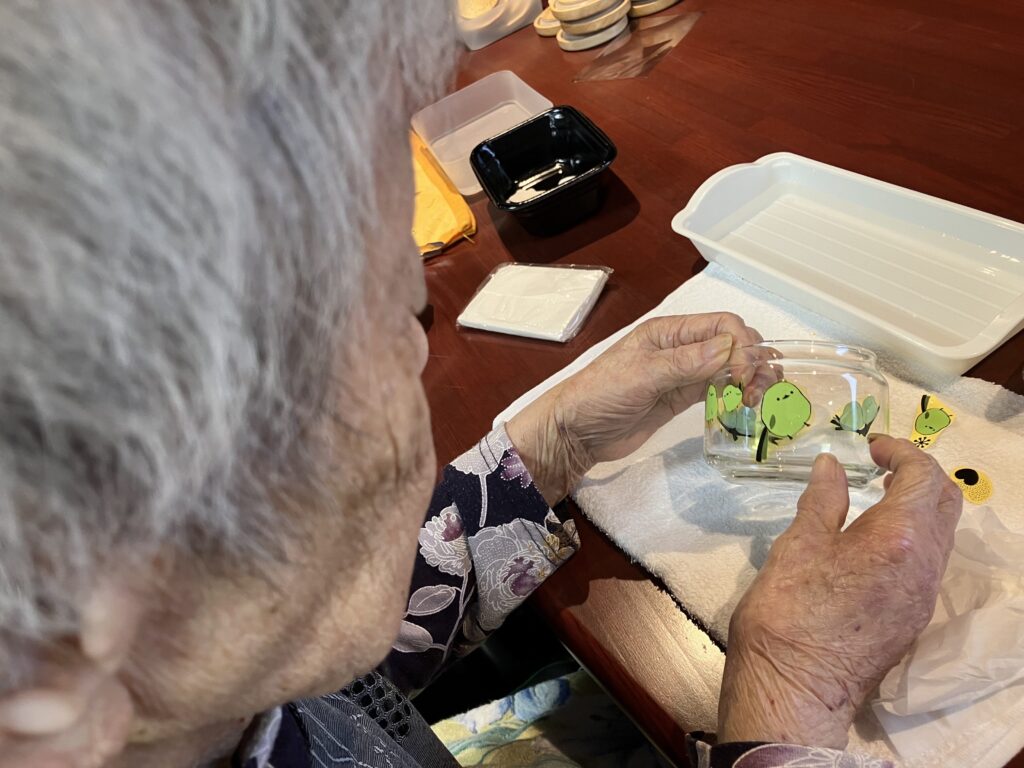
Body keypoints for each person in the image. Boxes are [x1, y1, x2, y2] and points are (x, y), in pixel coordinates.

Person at [0, 3, 962, 767]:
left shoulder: (161, 693)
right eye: (393, 315)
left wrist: (553, 445)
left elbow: (276, 644)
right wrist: (791, 701)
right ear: (73, 619)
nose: (417, 354)